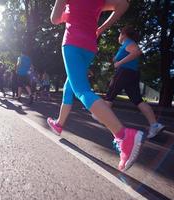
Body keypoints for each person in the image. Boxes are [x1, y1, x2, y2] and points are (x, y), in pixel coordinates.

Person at [47, 0, 143, 171]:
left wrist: (67, 15)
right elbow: (123, 5)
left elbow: (54, 19)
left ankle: (123, 135)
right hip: (90, 45)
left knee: (81, 89)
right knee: (72, 83)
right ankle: (59, 123)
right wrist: (102, 28)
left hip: (72, 41)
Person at [103, 25, 165, 138]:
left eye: (119, 34)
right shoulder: (126, 45)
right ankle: (154, 125)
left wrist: (119, 63)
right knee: (138, 100)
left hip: (124, 72)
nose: (118, 37)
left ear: (123, 34)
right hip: (132, 74)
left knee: (110, 95)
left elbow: (136, 52)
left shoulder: (128, 42)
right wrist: (116, 60)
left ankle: (100, 115)